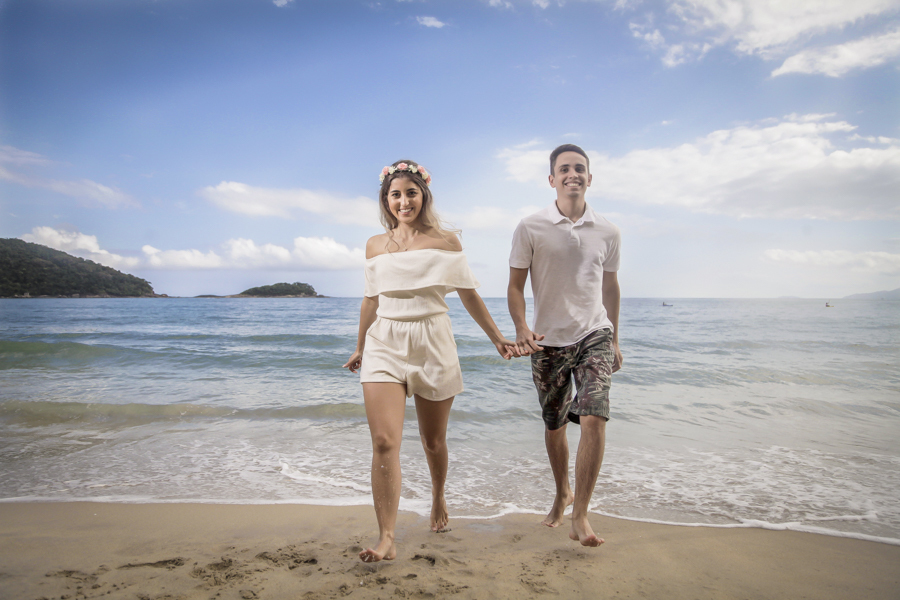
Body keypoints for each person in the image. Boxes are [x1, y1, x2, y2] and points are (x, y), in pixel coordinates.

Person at [344, 159, 517, 563]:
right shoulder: (374, 245)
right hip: (385, 339)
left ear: (424, 196)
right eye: (395, 195)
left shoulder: (446, 241)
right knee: (384, 441)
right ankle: (387, 536)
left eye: (411, 193)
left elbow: (469, 293)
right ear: (386, 201)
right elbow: (371, 298)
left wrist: (497, 338)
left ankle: (438, 495)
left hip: (433, 340)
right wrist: (360, 347)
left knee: (432, 440)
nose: (403, 201)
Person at [507, 144, 622, 547]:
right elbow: (515, 286)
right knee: (555, 424)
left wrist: (616, 339)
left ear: (590, 178)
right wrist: (521, 326)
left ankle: (581, 514)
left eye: (580, 169)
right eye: (564, 169)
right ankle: (562, 492)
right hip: (548, 341)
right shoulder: (531, 226)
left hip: (595, 333)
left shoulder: (608, 230)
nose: (573, 174)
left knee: (594, 416)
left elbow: (610, 286)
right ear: (551, 179)